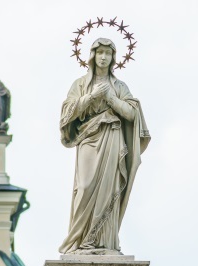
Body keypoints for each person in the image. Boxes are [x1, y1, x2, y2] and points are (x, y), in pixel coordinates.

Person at [58, 38, 150, 253]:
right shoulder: (80, 84)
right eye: (99, 52)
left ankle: (103, 241)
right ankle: (79, 240)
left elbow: (131, 114)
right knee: (85, 186)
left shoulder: (119, 86)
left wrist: (110, 98)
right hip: (88, 138)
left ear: (113, 58)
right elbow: (67, 114)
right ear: (92, 55)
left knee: (109, 189)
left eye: (108, 53)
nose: (103, 57)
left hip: (112, 137)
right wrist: (91, 97)